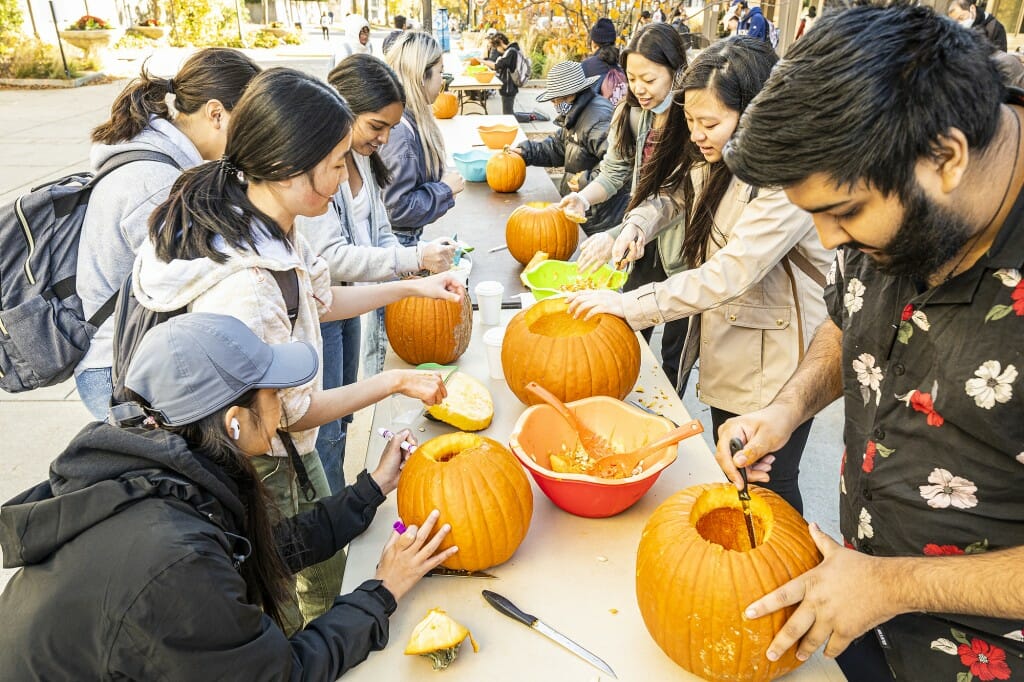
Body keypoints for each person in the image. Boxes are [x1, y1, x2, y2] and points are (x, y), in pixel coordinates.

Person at [718, 6, 1024, 680]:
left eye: (845, 213)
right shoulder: (892, 192)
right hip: (857, 607)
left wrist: (896, 585)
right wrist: (787, 408)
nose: (827, 240)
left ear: (945, 157)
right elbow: (846, 321)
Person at [134, 67, 465, 631]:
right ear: (289, 167)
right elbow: (294, 411)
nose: (344, 174)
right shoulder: (247, 287)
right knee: (291, 590)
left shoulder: (270, 221)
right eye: (336, 162)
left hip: (283, 445)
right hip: (263, 468)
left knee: (324, 562)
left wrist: (414, 285)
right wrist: (395, 382)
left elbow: (318, 301)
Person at [0, 312, 456, 678]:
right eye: (275, 392)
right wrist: (383, 591)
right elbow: (281, 672)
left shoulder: (163, 474)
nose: (285, 404)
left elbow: (263, 550)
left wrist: (371, 489)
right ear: (235, 419)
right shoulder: (174, 562)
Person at [568, 37, 831, 514]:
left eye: (709, 123)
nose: (697, 135)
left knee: (767, 484)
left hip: (774, 361)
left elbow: (730, 272)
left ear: (754, 113)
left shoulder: (784, 177)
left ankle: (792, 576)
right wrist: (636, 227)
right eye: (690, 122)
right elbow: (674, 194)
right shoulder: (722, 158)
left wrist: (631, 306)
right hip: (737, 346)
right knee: (738, 474)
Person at [296, 54, 457, 493]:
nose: (385, 139)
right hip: (320, 313)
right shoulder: (315, 168)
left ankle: (339, 497)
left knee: (342, 417)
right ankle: (330, 517)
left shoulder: (362, 158)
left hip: (347, 306)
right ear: (342, 110)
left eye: (389, 128)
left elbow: (381, 231)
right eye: (376, 126)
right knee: (322, 429)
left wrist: (413, 266)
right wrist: (412, 261)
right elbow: (331, 259)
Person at [74, 48, 261, 420]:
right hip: (119, 372)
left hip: (131, 359)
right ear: (216, 114)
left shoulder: (164, 164)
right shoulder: (155, 182)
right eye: (251, 124)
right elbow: (185, 283)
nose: (253, 140)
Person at [565, 23, 691, 389]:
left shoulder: (694, 121)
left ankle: (667, 417)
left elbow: (676, 197)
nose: (639, 88)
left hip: (685, 251)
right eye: (632, 77)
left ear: (676, 70)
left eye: (649, 79)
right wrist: (584, 197)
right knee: (631, 326)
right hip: (641, 242)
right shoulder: (633, 113)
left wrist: (616, 232)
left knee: (676, 349)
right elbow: (615, 172)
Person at [512, 61, 627, 236]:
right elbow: (558, 148)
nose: (553, 103)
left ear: (571, 95)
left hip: (599, 214)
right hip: (582, 207)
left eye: (556, 99)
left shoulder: (598, 118)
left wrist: (584, 181)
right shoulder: (575, 114)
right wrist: (527, 152)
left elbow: (618, 166)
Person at [382, 31, 464, 246]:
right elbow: (397, 209)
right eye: (441, 72)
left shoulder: (412, 119)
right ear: (421, 77)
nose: (443, 80)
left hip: (408, 239)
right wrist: (445, 190)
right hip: (398, 243)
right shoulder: (400, 134)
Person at [582, 17, 628, 106]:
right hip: (621, 116)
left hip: (596, 118)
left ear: (593, 43)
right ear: (614, 42)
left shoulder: (586, 66)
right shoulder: (624, 65)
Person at [485, 32, 523, 115]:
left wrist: (481, 61)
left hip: (509, 88)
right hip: (509, 86)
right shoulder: (511, 50)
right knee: (509, 113)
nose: (496, 49)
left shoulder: (511, 52)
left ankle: (533, 116)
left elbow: (497, 66)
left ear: (501, 42)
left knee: (508, 115)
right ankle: (532, 115)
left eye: (496, 47)